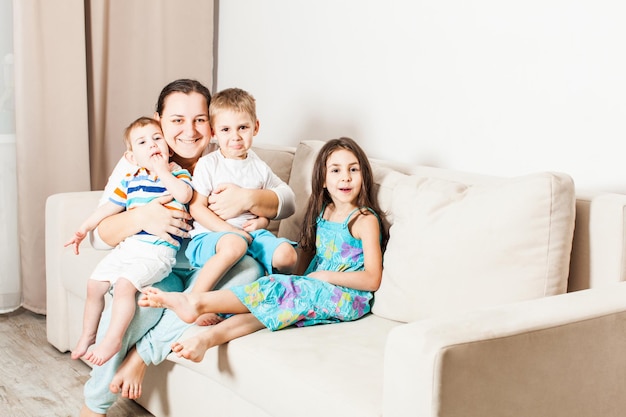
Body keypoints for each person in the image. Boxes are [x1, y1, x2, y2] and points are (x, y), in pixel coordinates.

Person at [79, 79, 296, 417]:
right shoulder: (141, 156)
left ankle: (141, 357)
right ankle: (94, 405)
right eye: (177, 120)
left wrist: (253, 200)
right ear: (159, 120)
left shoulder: (225, 156)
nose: (190, 130)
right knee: (141, 304)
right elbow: (98, 236)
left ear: (211, 124)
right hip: (160, 263)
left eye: (199, 119)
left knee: (250, 273)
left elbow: (286, 200)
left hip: (208, 264)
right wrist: (142, 216)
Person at [139, 137, 389, 363]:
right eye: (336, 170)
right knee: (267, 307)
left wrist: (324, 277)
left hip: (347, 298)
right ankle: (207, 339)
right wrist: (297, 278)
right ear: (323, 180)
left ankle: (197, 302)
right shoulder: (325, 212)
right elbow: (309, 254)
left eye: (353, 169)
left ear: (363, 175)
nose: (345, 177)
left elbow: (372, 278)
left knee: (275, 290)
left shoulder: (365, 220)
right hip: (317, 289)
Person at [66, 117, 193, 366]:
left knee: (125, 285)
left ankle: (113, 339)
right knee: (94, 285)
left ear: (168, 147)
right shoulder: (131, 180)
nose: (152, 145)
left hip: (158, 253)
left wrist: (163, 171)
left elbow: (184, 194)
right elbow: (108, 210)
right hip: (129, 248)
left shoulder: (178, 174)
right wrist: (83, 228)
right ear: (133, 157)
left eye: (158, 138)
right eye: (143, 142)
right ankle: (87, 335)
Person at [186, 88, 297, 325]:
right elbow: (196, 208)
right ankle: (195, 301)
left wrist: (263, 221)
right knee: (234, 244)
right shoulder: (209, 164)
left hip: (251, 235)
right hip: (211, 236)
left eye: (243, 128)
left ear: (255, 127)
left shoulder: (259, 166)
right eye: (226, 129)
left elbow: (278, 200)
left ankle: (277, 295)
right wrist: (231, 231)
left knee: (287, 255)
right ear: (214, 132)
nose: (235, 137)